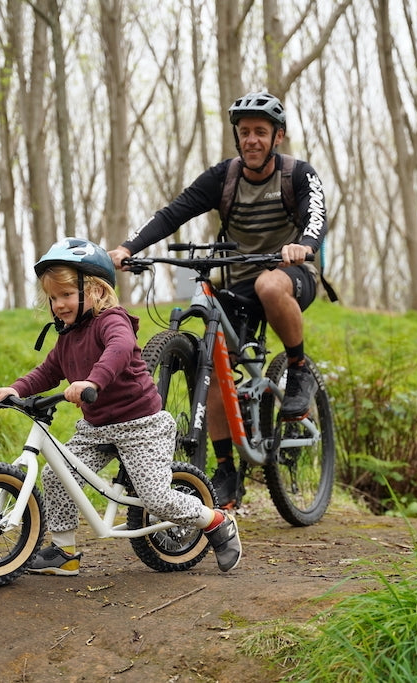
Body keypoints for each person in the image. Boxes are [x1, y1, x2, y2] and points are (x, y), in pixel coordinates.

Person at [108, 91, 327, 508]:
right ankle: (226, 469)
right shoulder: (224, 177)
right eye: (245, 133)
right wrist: (129, 248)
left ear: (277, 136)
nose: (252, 140)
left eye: (261, 132)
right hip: (239, 283)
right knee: (214, 359)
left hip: (291, 275)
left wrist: (304, 244)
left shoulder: (297, 174)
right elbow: (174, 212)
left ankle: (298, 369)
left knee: (268, 284)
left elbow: (317, 215)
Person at [0, 237, 242, 575]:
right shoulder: (67, 336)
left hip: (142, 425)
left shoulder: (112, 321)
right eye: (53, 297)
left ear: (95, 291)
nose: (59, 304)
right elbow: (49, 371)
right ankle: (64, 553)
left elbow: (119, 349)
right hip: (96, 429)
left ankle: (215, 521)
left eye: (66, 294)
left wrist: (93, 381)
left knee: (156, 499)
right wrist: (16, 389)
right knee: (55, 476)